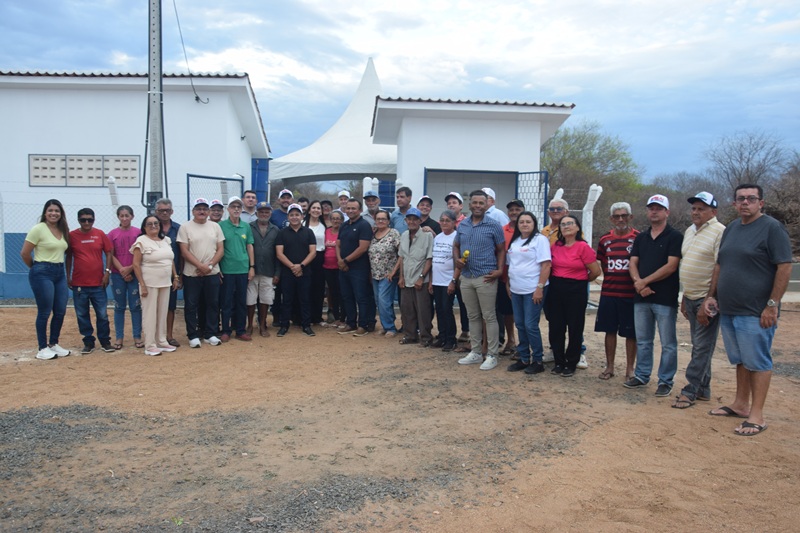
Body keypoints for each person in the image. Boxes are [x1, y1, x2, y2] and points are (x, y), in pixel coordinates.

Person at [704, 184, 791, 436]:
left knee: (758, 361)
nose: (745, 202)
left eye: (751, 199)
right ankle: (740, 404)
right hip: (730, 309)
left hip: (756, 311)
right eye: (740, 199)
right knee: (741, 360)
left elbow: (784, 266)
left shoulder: (772, 228)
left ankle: (757, 416)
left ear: (761, 203)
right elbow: (720, 265)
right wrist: (711, 295)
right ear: (734, 203)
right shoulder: (732, 228)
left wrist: (772, 305)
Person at [624, 194, 683, 396]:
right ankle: (642, 375)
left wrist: (644, 281)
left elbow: (671, 266)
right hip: (641, 297)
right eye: (651, 208)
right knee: (643, 340)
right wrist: (639, 284)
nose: (654, 212)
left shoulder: (675, 236)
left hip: (664, 298)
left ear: (667, 212)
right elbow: (633, 262)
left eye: (659, 208)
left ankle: (665, 380)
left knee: (668, 343)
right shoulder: (641, 237)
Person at [673, 192, 726, 409]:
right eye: (694, 208)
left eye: (701, 209)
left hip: (707, 299)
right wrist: (685, 296)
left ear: (713, 212)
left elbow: (718, 266)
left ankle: (690, 390)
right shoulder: (690, 231)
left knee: (702, 346)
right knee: (699, 344)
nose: (696, 212)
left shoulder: (720, 231)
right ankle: (704, 388)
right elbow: (688, 262)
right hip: (691, 296)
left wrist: (709, 299)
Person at [453, 190, 506, 370]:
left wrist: (500, 270)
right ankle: (476, 352)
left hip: (486, 277)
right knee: (473, 316)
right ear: (469, 204)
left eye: (481, 203)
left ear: (486, 205)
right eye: (474, 202)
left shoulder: (493, 225)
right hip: (467, 277)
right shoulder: (463, 225)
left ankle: (492, 354)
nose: (477, 206)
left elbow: (501, 249)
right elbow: (456, 245)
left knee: (489, 316)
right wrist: (457, 260)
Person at [546, 215, 602, 377]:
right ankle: (558, 361)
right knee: (556, 326)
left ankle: (571, 362)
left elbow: (595, 271)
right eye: (563, 224)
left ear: (577, 227)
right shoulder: (556, 246)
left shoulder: (583, 247)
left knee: (575, 327)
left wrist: (581, 280)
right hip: (556, 288)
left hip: (576, 289)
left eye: (570, 223)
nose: (566, 226)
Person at [20, 199, 72, 360]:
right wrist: (36, 268)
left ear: (61, 213)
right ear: (45, 213)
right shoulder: (38, 229)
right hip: (42, 271)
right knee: (45, 311)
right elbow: (25, 253)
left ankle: (53, 343)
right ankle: (42, 348)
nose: (53, 213)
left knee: (60, 310)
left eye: (57, 211)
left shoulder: (63, 230)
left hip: (59, 273)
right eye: (50, 210)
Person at [595, 202, 639, 380]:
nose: (620, 219)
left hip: (631, 294)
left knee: (631, 333)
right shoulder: (604, 240)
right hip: (609, 293)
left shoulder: (639, 238)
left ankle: (630, 369)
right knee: (609, 330)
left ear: (630, 217)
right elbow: (603, 264)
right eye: (617, 216)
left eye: (624, 216)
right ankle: (609, 367)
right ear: (611, 219)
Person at [506, 211, 551, 374]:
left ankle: (538, 360)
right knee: (519, 324)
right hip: (516, 289)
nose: (524, 224)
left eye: (528, 222)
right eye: (521, 222)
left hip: (532, 289)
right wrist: (508, 284)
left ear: (534, 224)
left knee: (530, 325)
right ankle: (524, 358)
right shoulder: (515, 241)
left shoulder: (540, 240)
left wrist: (539, 288)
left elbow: (546, 265)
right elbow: (511, 264)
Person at [66, 208, 115, 354]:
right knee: (82, 314)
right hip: (79, 284)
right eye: (83, 220)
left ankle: (105, 341)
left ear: (94, 220)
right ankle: (88, 342)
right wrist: (68, 276)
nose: (87, 222)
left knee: (102, 314)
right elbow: (69, 256)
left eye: (90, 220)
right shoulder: (72, 236)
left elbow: (109, 252)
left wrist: (107, 272)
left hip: (98, 283)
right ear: (78, 220)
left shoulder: (99, 234)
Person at [178, 198, 225, 348]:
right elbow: (184, 251)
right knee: (191, 305)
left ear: (209, 211)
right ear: (193, 211)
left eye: (205, 209)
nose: (202, 211)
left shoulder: (215, 227)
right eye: (198, 209)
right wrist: (200, 266)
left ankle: (210, 333)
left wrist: (209, 266)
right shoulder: (185, 227)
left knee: (213, 304)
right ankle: (193, 335)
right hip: (192, 274)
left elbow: (220, 249)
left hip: (212, 273)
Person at [131, 216, 180, 355]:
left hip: (165, 282)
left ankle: (162, 341)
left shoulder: (166, 240)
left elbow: (170, 260)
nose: (153, 226)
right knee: (150, 313)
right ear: (144, 227)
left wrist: (175, 276)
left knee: (163, 312)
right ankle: (150, 345)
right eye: (149, 224)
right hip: (149, 283)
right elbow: (136, 264)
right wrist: (142, 285)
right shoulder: (141, 241)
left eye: (156, 223)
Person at [275, 204, 316, 337]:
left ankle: (306, 325)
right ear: (288, 217)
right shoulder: (282, 233)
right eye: (291, 215)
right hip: (288, 272)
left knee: (305, 299)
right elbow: (279, 253)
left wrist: (301, 266)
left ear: (302, 216)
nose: (294, 217)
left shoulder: (308, 232)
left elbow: (313, 252)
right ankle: (284, 325)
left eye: (297, 214)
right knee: (287, 300)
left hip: (305, 271)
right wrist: (293, 267)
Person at [394, 207, 434, 346]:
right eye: (409, 219)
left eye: (415, 219)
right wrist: (401, 277)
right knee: (407, 309)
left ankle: (426, 337)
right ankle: (410, 335)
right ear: (406, 221)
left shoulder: (427, 235)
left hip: (421, 279)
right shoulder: (404, 235)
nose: (411, 222)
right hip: (407, 278)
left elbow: (429, 258)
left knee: (423, 311)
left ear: (420, 221)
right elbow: (402, 257)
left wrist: (422, 277)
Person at [337, 198, 375, 336]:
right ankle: (351, 323)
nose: (350, 211)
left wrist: (345, 261)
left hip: (359, 268)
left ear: (360, 210)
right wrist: (340, 260)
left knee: (361, 297)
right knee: (347, 296)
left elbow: (363, 248)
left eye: (353, 208)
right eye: (348, 208)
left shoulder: (364, 225)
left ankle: (363, 325)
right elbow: (338, 244)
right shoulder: (344, 225)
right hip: (343, 268)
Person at [219, 196, 255, 342]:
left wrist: (251, 267)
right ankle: (226, 330)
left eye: (239, 207)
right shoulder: (221, 226)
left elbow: (249, 246)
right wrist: (218, 268)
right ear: (228, 209)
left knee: (241, 301)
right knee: (226, 302)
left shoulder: (246, 226)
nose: (236, 209)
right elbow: (218, 247)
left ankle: (240, 330)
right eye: (233, 207)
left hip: (243, 269)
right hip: (227, 270)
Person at [108, 205, 142, 350]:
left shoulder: (138, 233)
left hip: (134, 273)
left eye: (127, 215)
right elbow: (111, 254)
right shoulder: (112, 234)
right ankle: (119, 337)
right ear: (118, 217)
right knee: (119, 307)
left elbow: (141, 254)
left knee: (135, 306)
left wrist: (130, 269)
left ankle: (137, 336)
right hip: (118, 275)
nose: (124, 218)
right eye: (121, 216)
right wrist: (122, 270)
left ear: (132, 216)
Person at [153, 198, 183, 347]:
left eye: (167, 210)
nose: (164, 213)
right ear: (156, 211)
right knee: (154, 307)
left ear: (172, 211)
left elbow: (182, 254)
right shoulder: (151, 228)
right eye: (161, 210)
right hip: (153, 275)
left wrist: (180, 275)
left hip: (172, 275)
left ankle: (169, 336)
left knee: (170, 306)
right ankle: (155, 336)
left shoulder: (179, 229)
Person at [247, 201, 279, 337]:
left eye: (266, 212)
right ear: (256, 213)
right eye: (261, 212)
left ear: (270, 213)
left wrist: (277, 273)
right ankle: (249, 325)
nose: (264, 214)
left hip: (268, 270)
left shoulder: (275, 230)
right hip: (252, 270)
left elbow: (278, 253)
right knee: (250, 299)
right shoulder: (249, 227)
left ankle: (262, 325)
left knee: (265, 299)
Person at [429, 210, 460, 351]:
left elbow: (458, 262)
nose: (444, 223)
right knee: (439, 309)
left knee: (447, 309)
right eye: (442, 220)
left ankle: (451, 339)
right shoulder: (438, 237)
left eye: (448, 220)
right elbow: (433, 260)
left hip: (448, 280)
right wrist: (431, 281)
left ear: (454, 222)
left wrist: (453, 281)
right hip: (437, 280)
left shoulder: (456, 237)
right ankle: (442, 337)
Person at [368, 210, 401, 336]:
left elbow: (401, 254)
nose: (381, 221)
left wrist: (394, 271)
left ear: (388, 221)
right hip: (374, 274)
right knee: (379, 301)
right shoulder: (373, 234)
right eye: (378, 219)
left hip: (388, 274)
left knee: (384, 301)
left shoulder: (394, 233)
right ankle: (386, 325)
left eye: (383, 219)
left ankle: (390, 328)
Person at [498, 199, 524, 355]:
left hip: (523, 280)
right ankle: (511, 341)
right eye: (511, 210)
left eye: (517, 209)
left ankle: (524, 345)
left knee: (524, 314)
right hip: (504, 278)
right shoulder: (502, 230)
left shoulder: (529, 230)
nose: (514, 212)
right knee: (508, 312)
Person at [444, 191, 469, 342]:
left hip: (464, 269)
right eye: (449, 203)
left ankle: (466, 331)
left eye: (454, 202)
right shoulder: (444, 222)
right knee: (446, 304)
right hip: (447, 271)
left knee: (464, 303)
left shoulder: (467, 223)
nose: (451, 205)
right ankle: (448, 334)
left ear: (461, 206)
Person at [304, 200, 327, 324]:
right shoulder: (302, 224)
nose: (316, 210)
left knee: (318, 288)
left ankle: (317, 317)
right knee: (305, 288)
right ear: (309, 210)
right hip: (305, 258)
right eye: (313, 208)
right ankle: (304, 316)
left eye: (318, 208)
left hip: (320, 258)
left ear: (321, 212)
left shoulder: (324, 226)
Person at [323, 210, 346, 327]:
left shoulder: (344, 231)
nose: (336, 221)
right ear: (330, 220)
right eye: (333, 218)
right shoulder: (326, 231)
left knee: (342, 292)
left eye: (338, 218)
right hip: (327, 267)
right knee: (332, 293)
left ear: (342, 220)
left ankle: (343, 317)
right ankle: (336, 317)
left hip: (340, 267)